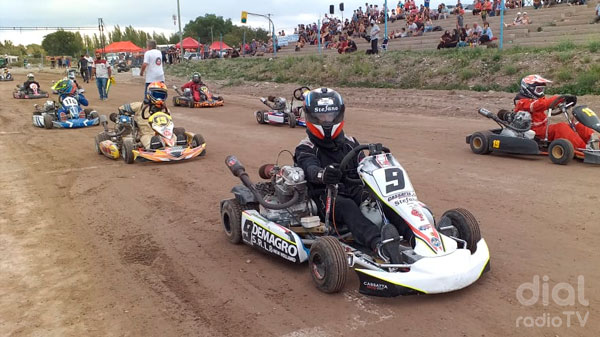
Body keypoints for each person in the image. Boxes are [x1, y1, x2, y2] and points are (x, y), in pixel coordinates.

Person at [294, 88, 404, 264]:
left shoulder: (351, 143)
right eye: (322, 117)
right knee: (348, 206)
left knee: (384, 200)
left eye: (331, 115)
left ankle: (416, 235)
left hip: (353, 188)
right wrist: (324, 174)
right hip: (325, 197)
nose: (327, 120)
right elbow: (310, 168)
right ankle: (379, 245)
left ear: (339, 114)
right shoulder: (305, 147)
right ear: (311, 117)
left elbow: (363, 164)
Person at [514, 75, 598, 150]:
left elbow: (545, 103)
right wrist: (558, 98)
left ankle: (596, 142)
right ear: (528, 89)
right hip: (534, 131)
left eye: (542, 90)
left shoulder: (537, 100)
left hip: (544, 128)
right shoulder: (522, 102)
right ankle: (585, 149)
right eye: (539, 90)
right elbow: (539, 105)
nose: (542, 93)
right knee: (561, 127)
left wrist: (565, 101)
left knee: (576, 124)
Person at [118, 81, 182, 150]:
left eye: (161, 96)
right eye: (156, 95)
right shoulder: (140, 106)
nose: (159, 99)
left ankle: (179, 145)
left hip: (164, 133)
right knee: (151, 142)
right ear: (149, 94)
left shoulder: (166, 110)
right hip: (146, 134)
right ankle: (156, 148)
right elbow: (122, 109)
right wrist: (127, 118)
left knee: (177, 138)